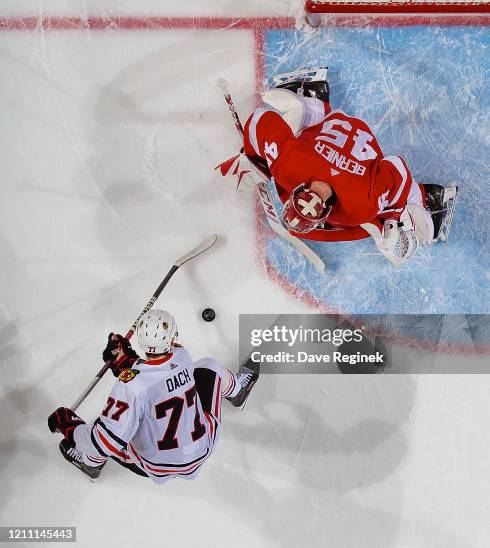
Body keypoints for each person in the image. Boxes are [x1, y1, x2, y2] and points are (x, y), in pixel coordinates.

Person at [222, 67, 457, 266]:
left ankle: (431, 199)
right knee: (308, 141)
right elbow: (261, 119)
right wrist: (257, 158)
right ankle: (312, 97)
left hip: (352, 141)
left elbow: (395, 167)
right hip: (334, 131)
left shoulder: (358, 206)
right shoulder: (289, 165)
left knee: (382, 210)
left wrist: (398, 213)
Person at [48, 309, 259, 483]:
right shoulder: (182, 357)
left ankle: (90, 463)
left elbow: (104, 442)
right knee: (209, 367)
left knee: (103, 430)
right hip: (202, 447)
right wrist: (125, 360)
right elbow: (158, 372)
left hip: (156, 465)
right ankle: (237, 389)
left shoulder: (130, 387)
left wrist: (68, 425)